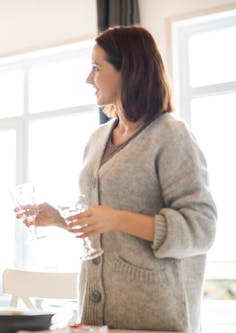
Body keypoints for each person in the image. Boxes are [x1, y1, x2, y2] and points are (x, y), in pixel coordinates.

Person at [29, 26, 216, 332]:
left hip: (155, 319)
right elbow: (102, 224)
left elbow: (202, 229)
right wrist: (58, 218)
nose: (88, 79)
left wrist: (117, 218)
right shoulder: (97, 138)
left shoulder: (171, 135)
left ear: (128, 71)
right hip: (97, 318)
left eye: (96, 67)